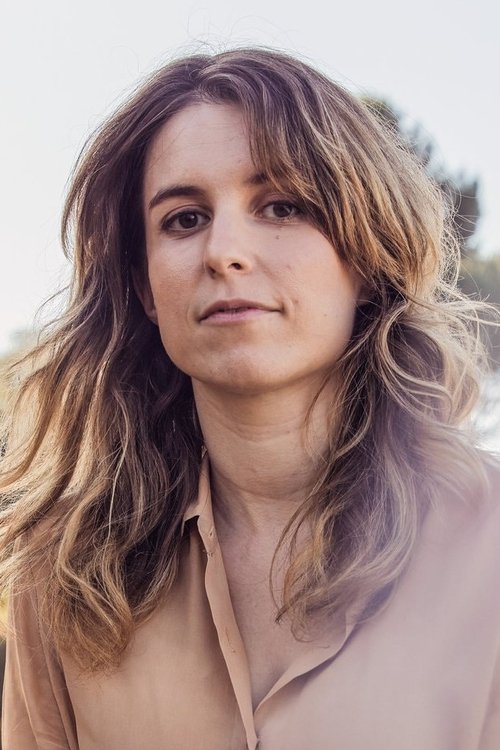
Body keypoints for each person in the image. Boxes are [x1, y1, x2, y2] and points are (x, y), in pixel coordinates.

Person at [0, 47, 499, 750]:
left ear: (366, 253)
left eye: (281, 206)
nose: (223, 251)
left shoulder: (487, 547)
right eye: (183, 219)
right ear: (145, 287)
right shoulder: (64, 574)